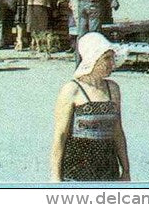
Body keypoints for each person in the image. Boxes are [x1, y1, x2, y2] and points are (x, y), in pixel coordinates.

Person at [50, 33, 131, 182]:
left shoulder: (113, 89)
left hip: (108, 168)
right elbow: (60, 135)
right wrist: (55, 176)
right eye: (106, 58)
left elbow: (118, 131)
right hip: (76, 169)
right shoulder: (71, 89)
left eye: (112, 58)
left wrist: (126, 170)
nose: (112, 63)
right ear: (92, 59)